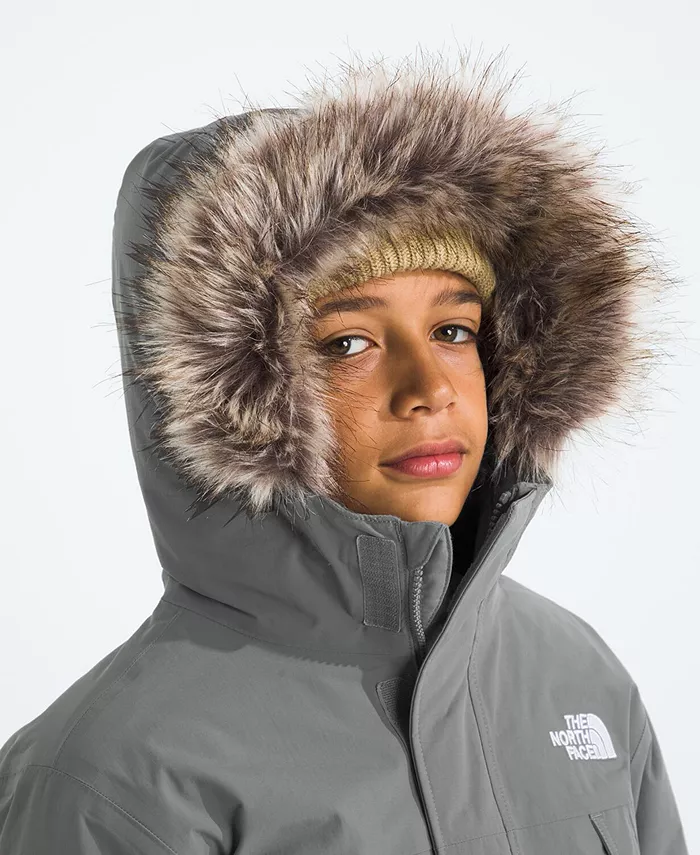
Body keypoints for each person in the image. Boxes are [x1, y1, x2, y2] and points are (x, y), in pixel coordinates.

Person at [0, 49, 689, 854]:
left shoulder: (577, 679)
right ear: (232, 392)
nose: (429, 389)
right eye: (348, 342)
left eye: (453, 329)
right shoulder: (116, 776)